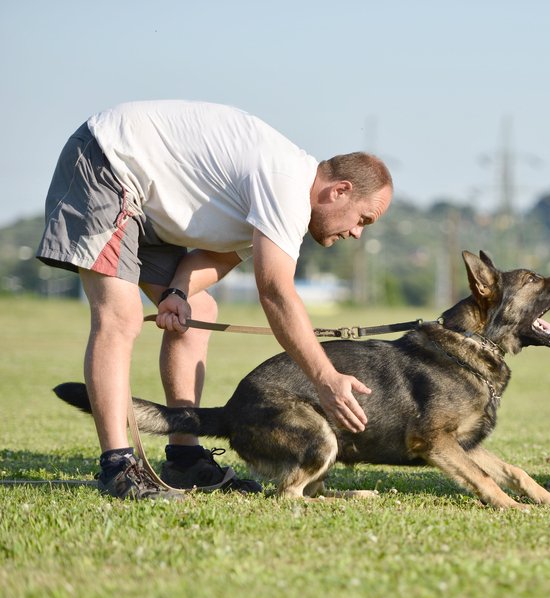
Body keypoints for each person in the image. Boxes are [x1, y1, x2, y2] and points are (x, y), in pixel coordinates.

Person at [37, 100, 393, 500]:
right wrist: (326, 378)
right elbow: (275, 292)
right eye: (363, 219)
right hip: (108, 162)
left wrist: (178, 292)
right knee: (120, 316)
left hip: (147, 204)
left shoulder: (282, 196)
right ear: (340, 191)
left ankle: (184, 460)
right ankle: (118, 467)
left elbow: (221, 255)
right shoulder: (286, 184)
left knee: (199, 309)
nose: (358, 233)